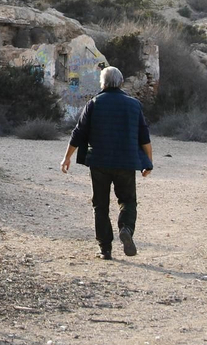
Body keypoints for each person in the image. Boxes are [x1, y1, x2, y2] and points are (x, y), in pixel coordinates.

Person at [61, 65, 152, 259]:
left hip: (99, 162)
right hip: (126, 162)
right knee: (127, 201)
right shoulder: (134, 104)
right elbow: (144, 136)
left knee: (100, 205)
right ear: (120, 82)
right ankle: (126, 228)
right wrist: (148, 162)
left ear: (102, 83)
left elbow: (79, 132)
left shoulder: (94, 103)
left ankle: (105, 249)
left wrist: (67, 157)